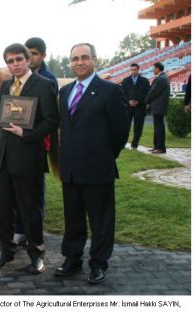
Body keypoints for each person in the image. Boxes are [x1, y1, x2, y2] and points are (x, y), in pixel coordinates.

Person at [0, 43, 59, 274]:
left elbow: (52, 121)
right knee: (3, 209)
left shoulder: (44, 85)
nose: (15, 64)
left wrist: (27, 134)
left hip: (28, 157)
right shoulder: (8, 85)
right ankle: (6, 251)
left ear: (28, 59)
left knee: (30, 210)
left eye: (19, 59)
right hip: (3, 157)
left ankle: (36, 254)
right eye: (10, 61)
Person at [55, 43, 128, 284]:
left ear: (95, 59)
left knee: (101, 221)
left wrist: (105, 155)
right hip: (71, 169)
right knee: (73, 219)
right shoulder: (64, 93)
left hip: (98, 168)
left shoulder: (110, 90)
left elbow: (120, 132)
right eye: (75, 58)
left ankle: (98, 263)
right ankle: (72, 259)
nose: (79, 62)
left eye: (84, 57)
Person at [12, 37, 59, 246]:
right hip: (17, 140)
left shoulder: (48, 80)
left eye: (35, 54)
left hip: (38, 141)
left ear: (43, 56)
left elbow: (48, 117)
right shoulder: (15, 78)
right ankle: (20, 228)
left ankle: (34, 232)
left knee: (35, 187)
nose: (30, 59)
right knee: (18, 189)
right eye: (27, 54)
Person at [120, 63, 150, 149]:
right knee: (125, 127)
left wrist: (138, 101)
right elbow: (122, 94)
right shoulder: (125, 80)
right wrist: (128, 101)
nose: (133, 71)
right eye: (132, 70)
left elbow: (147, 94)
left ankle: (134, 144)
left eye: (135, 70)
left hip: (140, 107)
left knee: (138, 127)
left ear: (138, 70)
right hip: (128, 107)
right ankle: (123, 144)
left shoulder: (145, 81)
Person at [144, 62, 170, 154]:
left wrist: (146, 100)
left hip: (158, 106)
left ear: (158, 68)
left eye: (154, 68)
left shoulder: (160, 79)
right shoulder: (163, 78)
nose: (153, 70)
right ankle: (157, 146)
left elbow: (153, 92)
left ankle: (160, 148)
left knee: (159, 127)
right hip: (159, 106)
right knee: (158, 127)